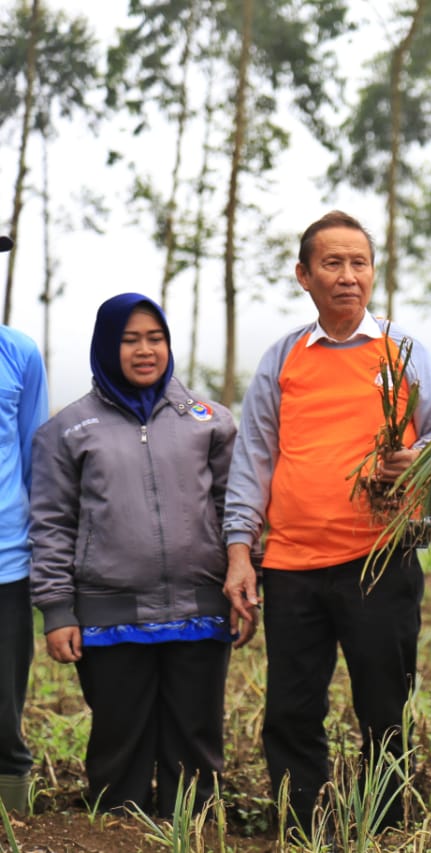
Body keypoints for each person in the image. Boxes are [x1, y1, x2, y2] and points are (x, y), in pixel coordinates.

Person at [221, 210, 431, 831]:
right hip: (293, 566)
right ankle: (303, 828)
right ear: (304, 275)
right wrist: (241, 553)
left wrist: (417, 460)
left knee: (383, 708)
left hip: (381, 559)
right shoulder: (283, 358)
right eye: (333, 263)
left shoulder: (402, 351)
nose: (348, 276)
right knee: (291, 711)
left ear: (373, 273)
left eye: (360, 263)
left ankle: (383, 829)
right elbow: (253, 460)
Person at [29, 294, 235, 816]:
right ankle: (116, 830)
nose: (145, 351)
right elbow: (51, 524)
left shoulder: (208, 420)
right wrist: (57, 609)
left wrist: (243, 579)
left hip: (200, 608)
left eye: (155, 338)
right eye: (129, 340)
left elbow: (235, 510)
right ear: (105, 346)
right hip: (108, 613)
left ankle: (192, 829)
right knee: (120, 737)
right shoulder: (67, 430)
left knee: (196, 735)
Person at [0, 233, 48, 816]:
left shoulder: (19, 353)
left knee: (3, 710)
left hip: (7, 562)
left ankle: (13, 818)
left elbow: (38, 462)